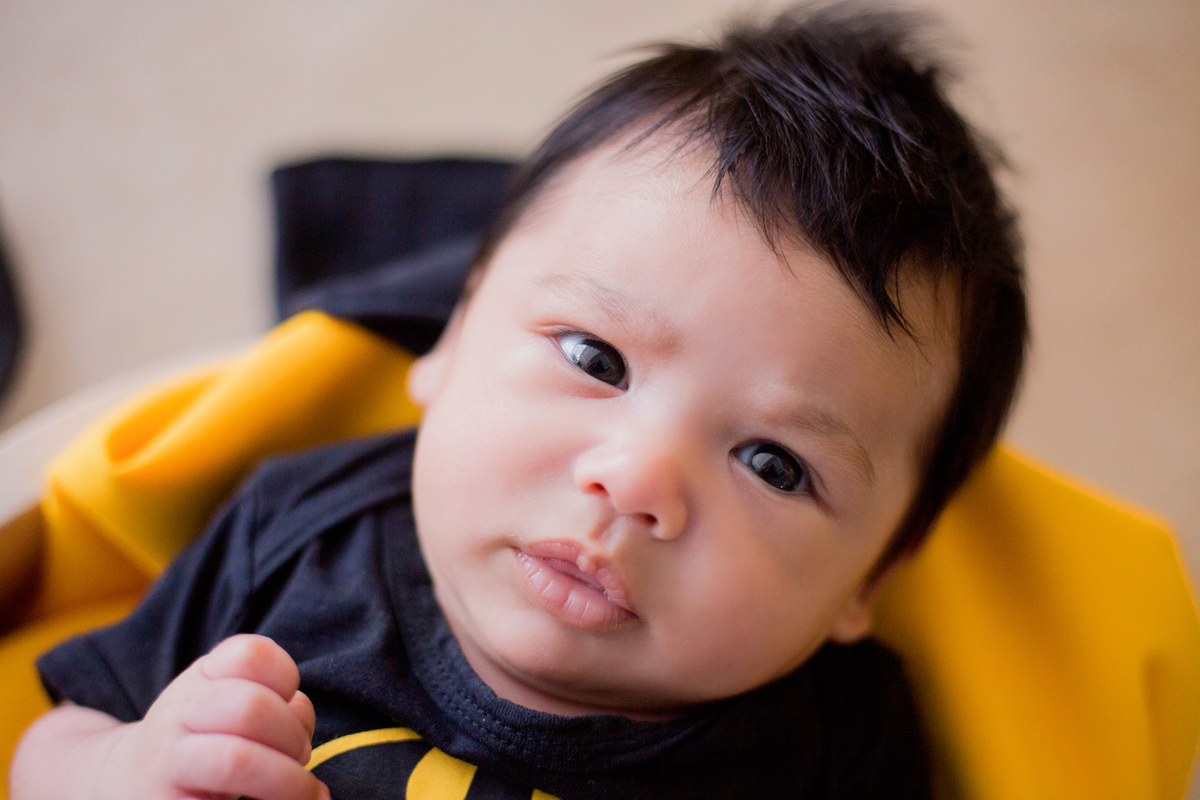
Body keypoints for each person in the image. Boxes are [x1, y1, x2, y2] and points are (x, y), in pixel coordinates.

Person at [9, 5, 1027, 799]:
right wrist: (126, 767)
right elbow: (58, 733)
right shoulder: (302, 534)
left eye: (773, 461)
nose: (634, 481)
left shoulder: (834, 743)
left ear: (869, 578)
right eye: (595, 355)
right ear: (446, 340)